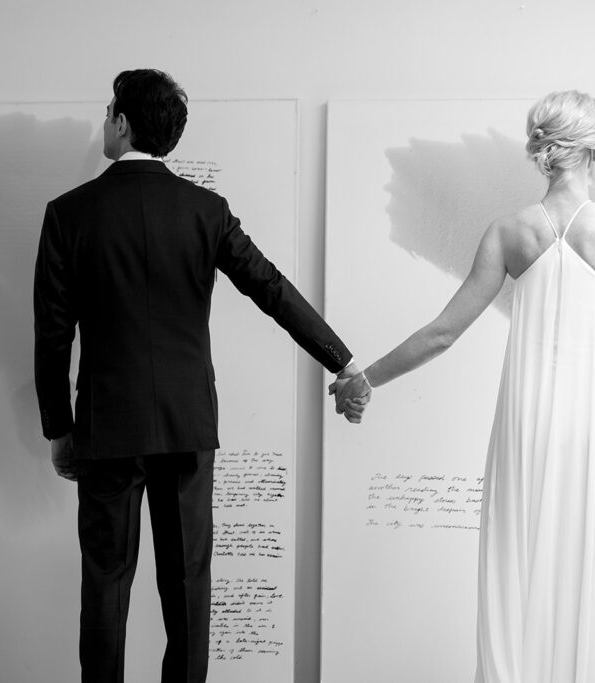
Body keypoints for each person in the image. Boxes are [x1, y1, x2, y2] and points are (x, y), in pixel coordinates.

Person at [331, 90, 595, 682]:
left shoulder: (508, 233)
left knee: (527, 576)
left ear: (547, 151)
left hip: (528, 433)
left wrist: (363, 380)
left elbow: (443, 333)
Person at [34, 69, 367, 683]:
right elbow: (271, 289)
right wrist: (341, 359)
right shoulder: (205, 211)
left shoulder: (68, 214)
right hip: (188, 426)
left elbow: (52, 335)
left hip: (106, 428)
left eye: (109, 110)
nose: (105, 120)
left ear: (123, 123)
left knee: (104, 583)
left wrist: (59, 426)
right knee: (187, 584)